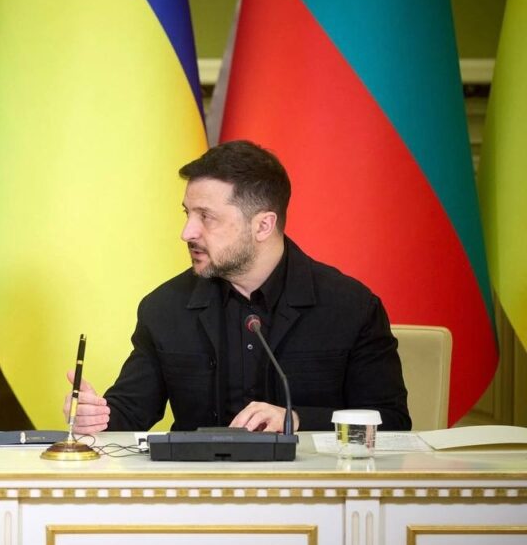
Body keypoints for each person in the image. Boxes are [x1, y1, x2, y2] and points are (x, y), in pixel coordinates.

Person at [66, 140, 411, 434]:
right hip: (199, 491)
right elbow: (129, 413)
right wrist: (94, 417)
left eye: (206, 217)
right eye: (187, 214)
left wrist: (297, 420)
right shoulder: (164, 309)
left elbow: (392, 424)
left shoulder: (350, 307)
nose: (187, 233)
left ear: (263, 225)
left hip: (309, 490)